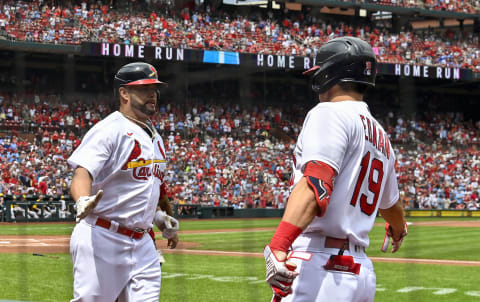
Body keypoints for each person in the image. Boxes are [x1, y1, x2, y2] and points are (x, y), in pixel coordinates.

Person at [264, 37, 408, 302]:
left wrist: (279, 244)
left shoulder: (328, 112)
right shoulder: (382, 137)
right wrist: (398, 228)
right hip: (361, 273)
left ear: (329, 73)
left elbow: (316, 184)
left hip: (320, 265)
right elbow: (390, 206)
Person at [68, 62, 180, 302]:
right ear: (124, 93)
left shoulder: (155, 136)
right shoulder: (109, 129)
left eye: (154, 88)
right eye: (144, 88)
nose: (153, 94)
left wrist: (160, 218)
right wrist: (83, 199)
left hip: (142, 244)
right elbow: (82, 172)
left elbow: (150, 188)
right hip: (102, 237)